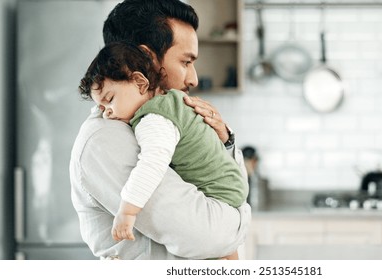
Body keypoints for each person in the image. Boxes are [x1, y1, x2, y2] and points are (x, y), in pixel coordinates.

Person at [70, 0, 251, 260]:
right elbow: (208, 237)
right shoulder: (106, 139)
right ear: (149, 58)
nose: (194, 79)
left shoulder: (165, 116)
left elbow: (223, 186)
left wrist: (224, 141)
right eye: (186, 62)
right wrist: (242, 217)